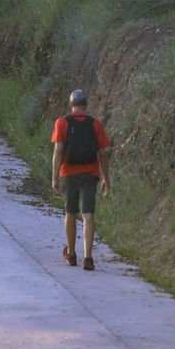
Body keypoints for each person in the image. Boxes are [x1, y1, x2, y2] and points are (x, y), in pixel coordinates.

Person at [51, 89, 112, 270]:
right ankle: (88, 257)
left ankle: (71, 254)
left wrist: (54, 177)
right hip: (90, 174)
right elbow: (103, 154)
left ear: (71, 105)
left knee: (70, 213)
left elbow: (58, 151)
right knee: (88, 215)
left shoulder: (62, 122)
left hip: (68, 174)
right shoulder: (95, 124)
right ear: (86, 105)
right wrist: (106, 178)